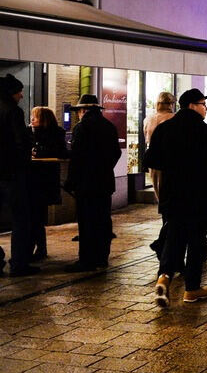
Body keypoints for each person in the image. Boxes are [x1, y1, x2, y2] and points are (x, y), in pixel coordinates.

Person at [144, 88, 207, 306]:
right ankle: (192, 289)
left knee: (174, 236)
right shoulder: (206, 132)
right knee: (197, 241)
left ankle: (164, 277)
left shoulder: (165, 129)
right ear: (192, 105)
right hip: (199, 196)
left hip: (173, 195)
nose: (206, 108)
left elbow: (150, 159)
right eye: (203, 104)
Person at [63, 95, 121, 272]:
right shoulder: (109, 126)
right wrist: (105, 167)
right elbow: (116, 153)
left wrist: (71, 181)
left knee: (87, 221)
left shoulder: (82, 128)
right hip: (104, 181)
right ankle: (101, 257)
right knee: (103, 220)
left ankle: (86, 260)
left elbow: (77, 157)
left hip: (86, 183)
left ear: (83, 111)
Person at [0, 74, 33, 276]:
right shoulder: (13, 111)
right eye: (19, 92)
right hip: (11, 174)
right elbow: (22, 144)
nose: (21, 95)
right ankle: (19, 263)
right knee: (21, 218)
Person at [29, 106, 67, 262]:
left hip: (43, 180)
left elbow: (59, 152)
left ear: (44, 119)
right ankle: (37, 247)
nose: (32, 120)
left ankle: (39, 248)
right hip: (33, 179)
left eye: (35, 117)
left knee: (36, 215)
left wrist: (36, 152)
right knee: (34, 215)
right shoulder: (28, 132)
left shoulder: (56, 133)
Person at [143, 92, 176, 259]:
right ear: (171, 103)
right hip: (169, 163)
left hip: (153, 165)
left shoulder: (149, 119)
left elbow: (146, 140)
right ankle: (164, 240)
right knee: (170, 201)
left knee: (162, 199)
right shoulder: (172, 118)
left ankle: (164, 235)